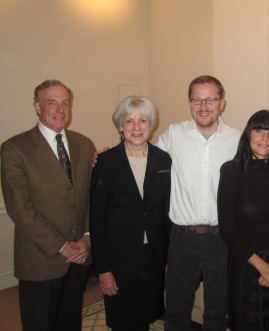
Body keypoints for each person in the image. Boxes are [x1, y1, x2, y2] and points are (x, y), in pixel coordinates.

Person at [1, 80, 95, 331]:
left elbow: (90, 197)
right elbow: (19, 208)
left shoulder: (83, 144)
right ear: (37, 107)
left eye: (65, 103)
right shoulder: (14, 149)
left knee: (69, 322)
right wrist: (63, 247)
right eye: (52, 102)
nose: (60, 109)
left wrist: (86, 237)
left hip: (79, 258)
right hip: (40, 260)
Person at [157, 75, 241, 330]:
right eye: (197, 100)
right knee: (176, 310)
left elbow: (262, 169)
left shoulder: (238, 140)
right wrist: (109, 157)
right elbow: (145, 163)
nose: (203, 106)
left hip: (221, 239)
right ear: (189, 102)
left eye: (210, 99)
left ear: (222, 103)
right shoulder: (173, 135)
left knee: (217, 313)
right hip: (183, 239)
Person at [89, 96, 172, 331]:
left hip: (152, 256)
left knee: (145, 315)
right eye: (129, 121)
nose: (137, 127)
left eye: (143, 120)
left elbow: (167, 211)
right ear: (120, 125)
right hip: (119, 258)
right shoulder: (105, 163)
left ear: (151, 124)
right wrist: (103, 270)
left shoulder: (163, 159)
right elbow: (96, 220)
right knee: (122, 319)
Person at [218, 110, 269, 330]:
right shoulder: (231, 171)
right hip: (246, 263)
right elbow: (227, 227)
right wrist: (262, 267)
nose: (265, 138)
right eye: (259, 130)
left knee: (266, 325)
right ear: (248, 134)